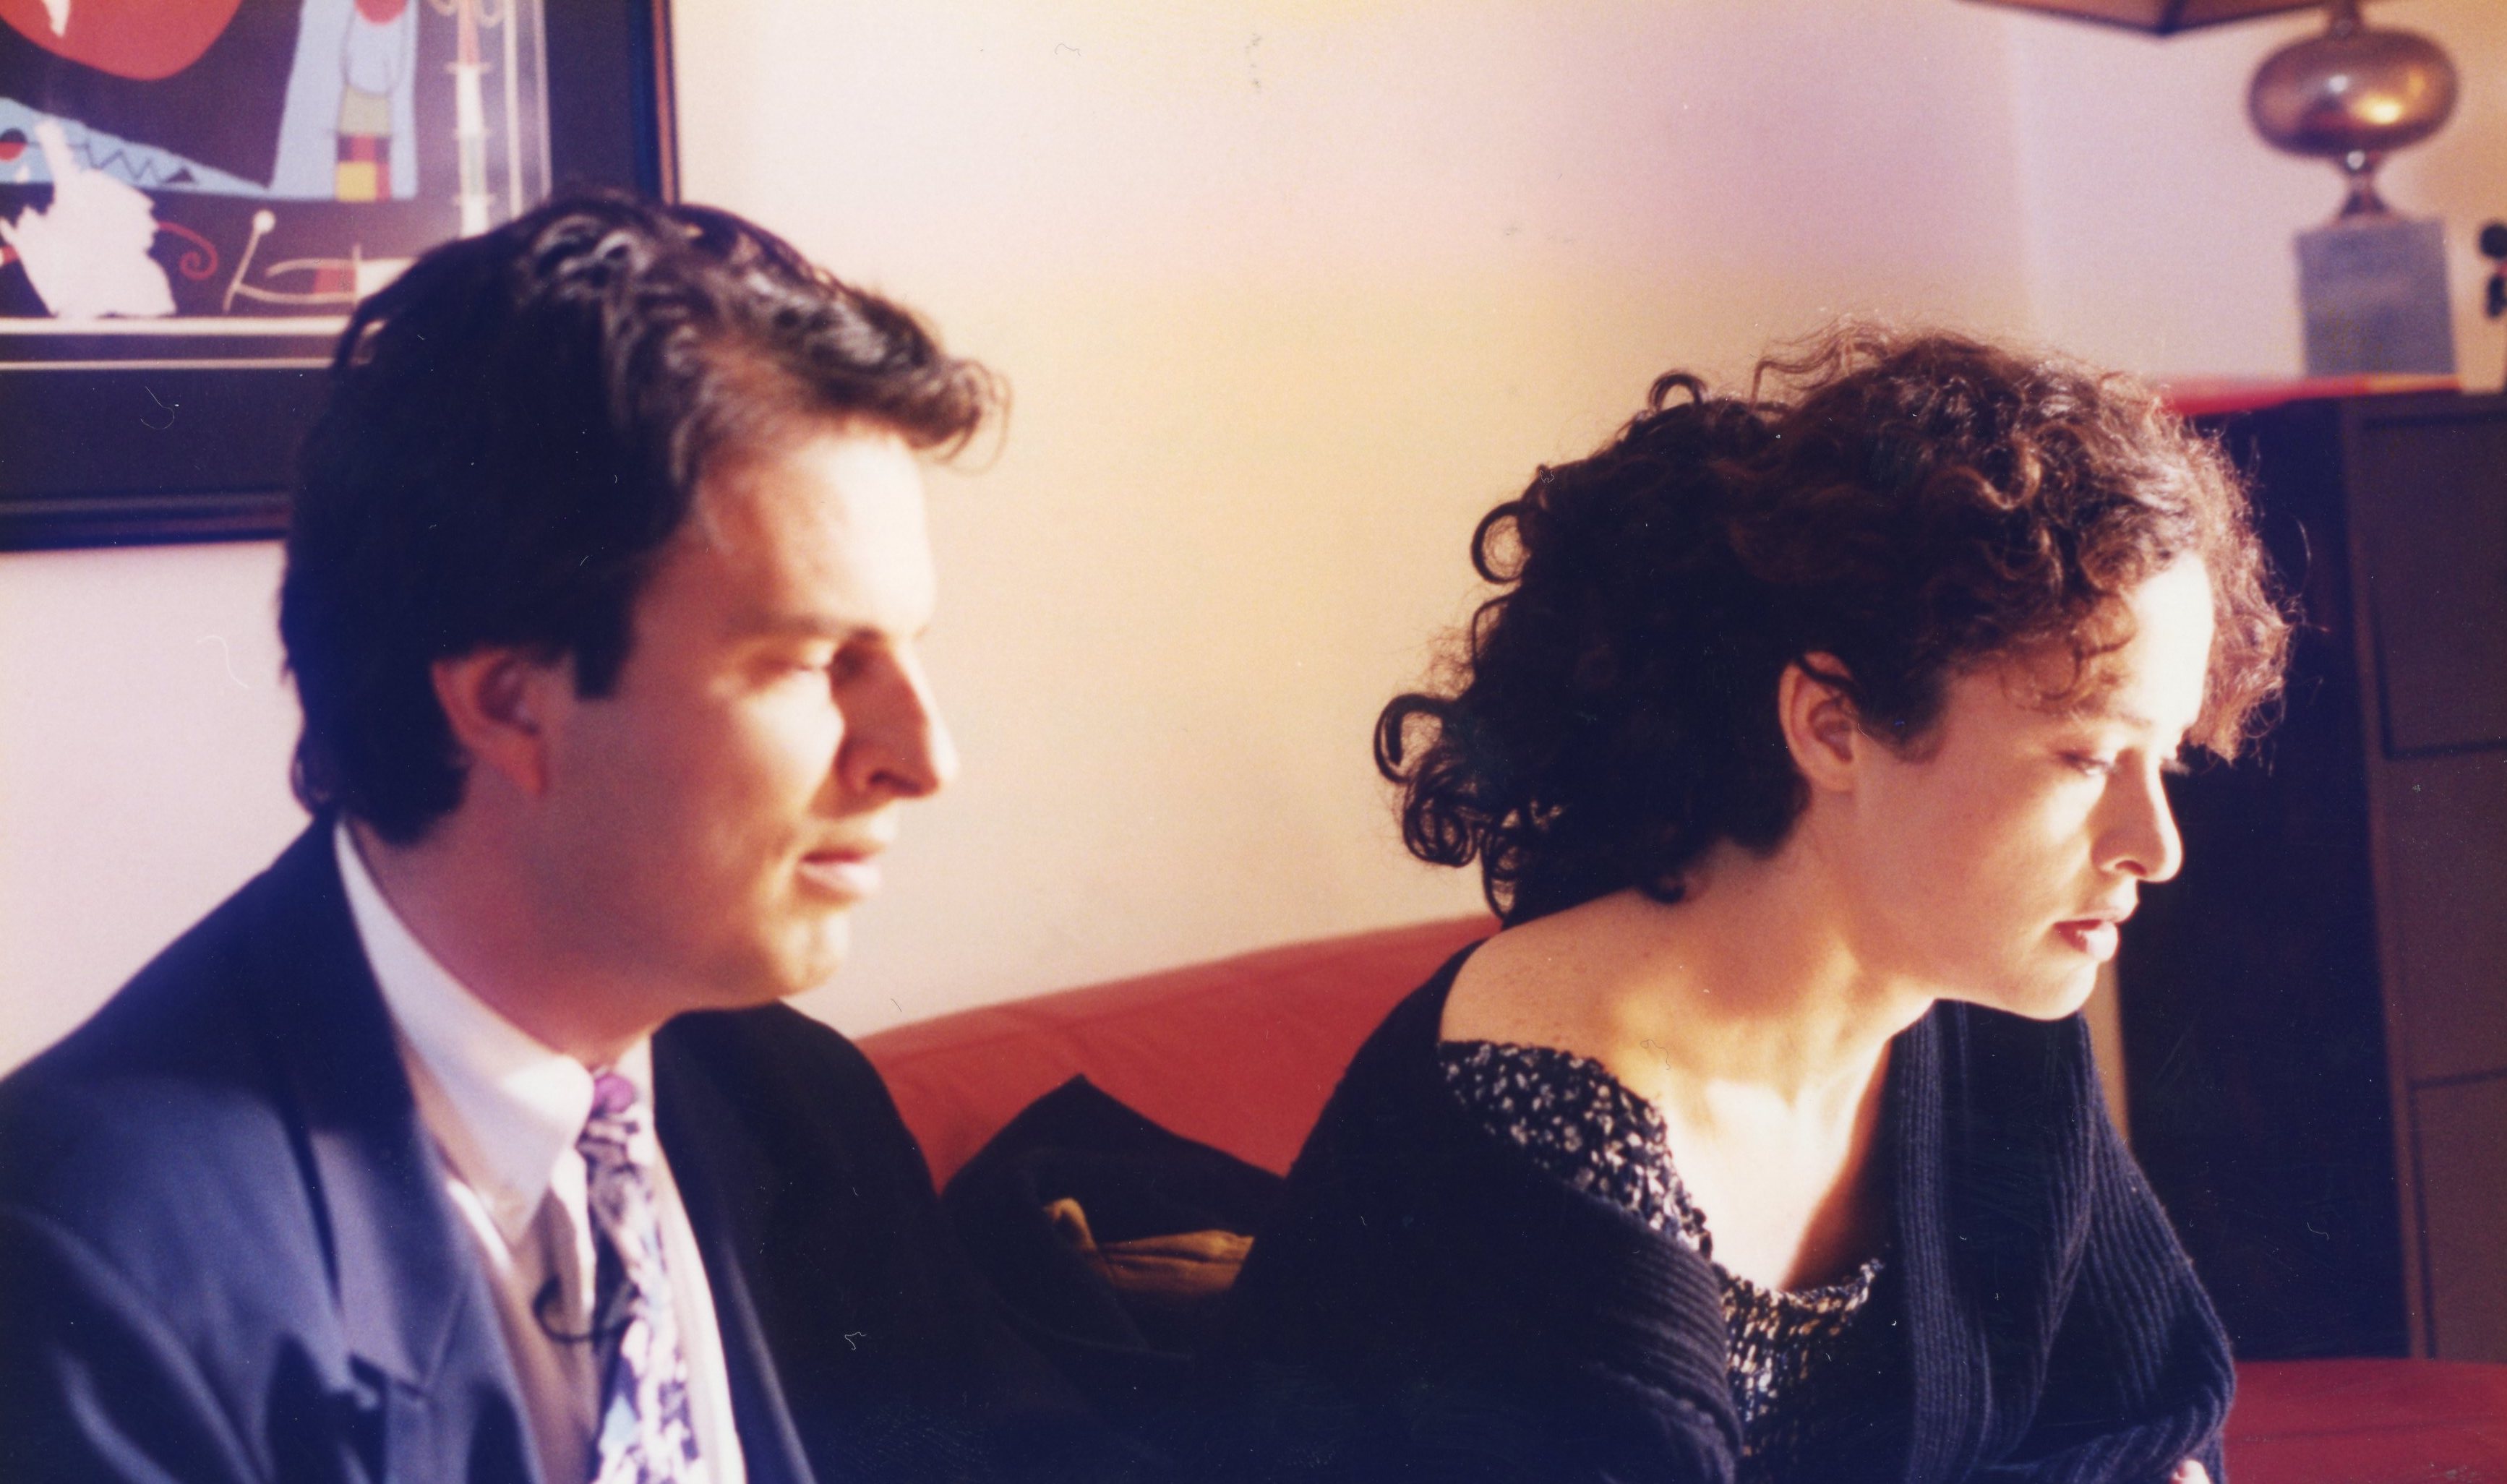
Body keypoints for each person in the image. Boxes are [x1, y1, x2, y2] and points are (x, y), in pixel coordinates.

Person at [0, 193, 1123, 1483]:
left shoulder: (792, 1105)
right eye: (818, 660)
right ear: (508, 701)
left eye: (910, 649)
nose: (923, 757)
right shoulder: (86, 1276)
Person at [1209, 327, 2288, 1483]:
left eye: (2165, 759)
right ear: (1833, 725)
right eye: (2085, 757)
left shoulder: (1986, 1015)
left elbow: (2163, 1426)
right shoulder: (1553, 1109)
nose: (2155, 846)